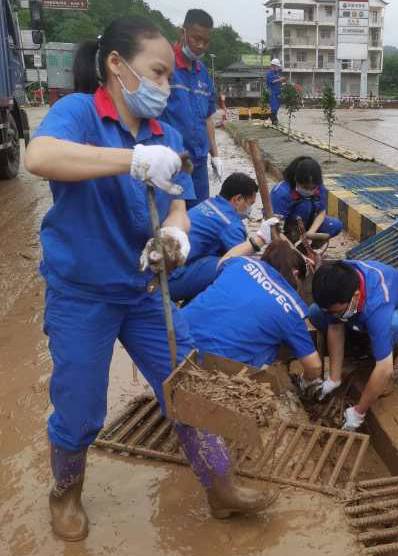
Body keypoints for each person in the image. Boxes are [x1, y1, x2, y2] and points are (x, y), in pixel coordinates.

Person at [25, 17, 274, 542]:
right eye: (157, 73)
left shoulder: (167, 135)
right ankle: (65, 492)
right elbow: (39, 157)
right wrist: (132, 160)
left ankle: (220, 486)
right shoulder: (80, 113)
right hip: (83, 294)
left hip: (144, 291)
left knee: (188, 384)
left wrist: (176, 235)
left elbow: (179, 204)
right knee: (80, 407)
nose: (164, 86)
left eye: (168, 77)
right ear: (117, 65)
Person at [181, 240, 323, 380]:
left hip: (178, 338)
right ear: (295, 273)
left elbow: (223, 260)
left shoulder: (241, 263)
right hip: (214, 368)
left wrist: (260, 238)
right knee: (270, 346)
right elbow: (314, 367)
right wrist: (304, 380)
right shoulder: (290, 308)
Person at [309, 261, 398, 432]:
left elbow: (385, 369)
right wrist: (333, 379)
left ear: (356, 296)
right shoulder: (337, 278)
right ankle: (361, 344)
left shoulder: (378, 305)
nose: (333, 315)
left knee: (394, 326)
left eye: (337, 311)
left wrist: (358, 412)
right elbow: (335, 326)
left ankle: (383, 349)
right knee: (316, 312)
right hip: (361, 313)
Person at [161, 9, 222, 207]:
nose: (200, 45)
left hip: (199, 162)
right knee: (172, 215)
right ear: (183, 32)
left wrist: (215, 155)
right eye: (196, 39)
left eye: (206, 41)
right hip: (172, 160)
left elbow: (207, 118)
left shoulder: (202, 72)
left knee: (198, 214)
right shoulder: (164, 65)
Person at [169, 172, 258, 301]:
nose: (250, 209)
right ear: (238, 199)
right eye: (250, 203)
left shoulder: (208, 203)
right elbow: (243, 260)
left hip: (161, 270)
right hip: (170, 280)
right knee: (230, 265)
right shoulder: (230, 223)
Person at [271, 156, 343, 243]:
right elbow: (276, 229)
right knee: (304, 206)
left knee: (335, 225)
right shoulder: (281, 192)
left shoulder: (319, 187)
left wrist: (311, 232)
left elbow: (321, 212)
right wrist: (289, 247)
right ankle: (292, 244)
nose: (309, 191)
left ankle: (304, 248)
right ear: (296, 179)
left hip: (307, 223)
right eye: (305, 187)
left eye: (313, 188)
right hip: (286, 228)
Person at [266, 58, 286, 125]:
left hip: (278, 92)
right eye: (277, 66)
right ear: (273, 66)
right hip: (272, 92)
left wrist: (283, 83)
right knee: (274, 106)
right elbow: (272, 81)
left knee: (277, 106)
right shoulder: (269, 73)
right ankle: (274, 120)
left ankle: (274, 120)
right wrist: (280, 79)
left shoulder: (277, 73)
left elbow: (279, 82)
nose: (278, 68)